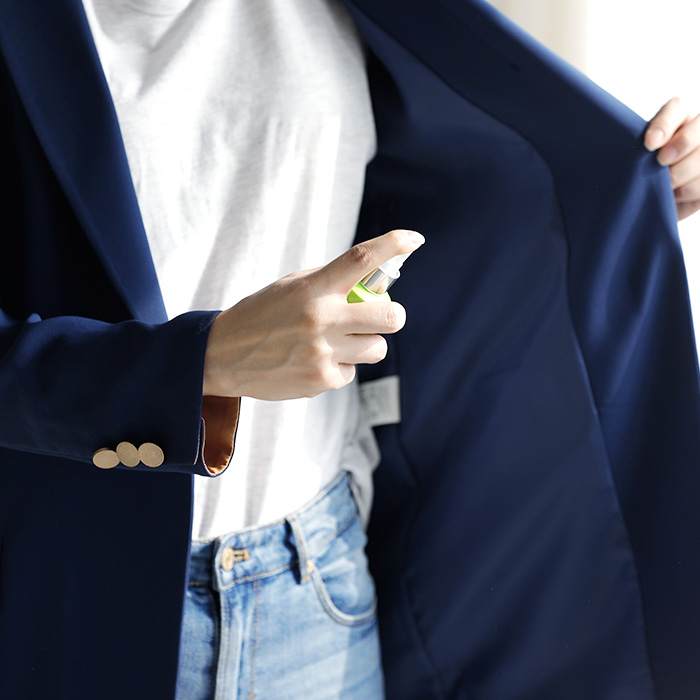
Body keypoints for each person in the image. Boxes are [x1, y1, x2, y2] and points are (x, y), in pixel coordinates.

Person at [2, 1, 700, 699]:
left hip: (317, 586)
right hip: (72, 598)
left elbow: (461, 195)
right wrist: (201, 362)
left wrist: (617, 188)